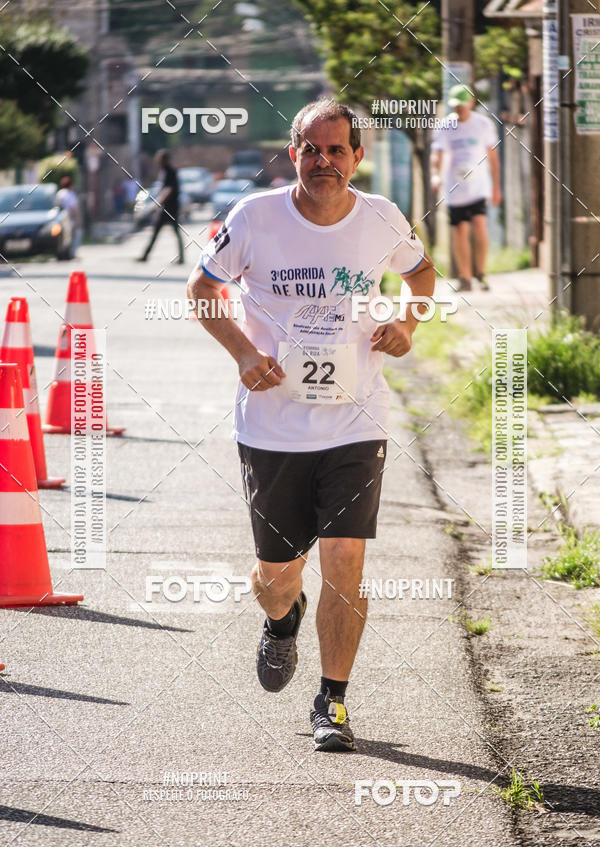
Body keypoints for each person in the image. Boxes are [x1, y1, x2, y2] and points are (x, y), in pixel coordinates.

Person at [187, 99, 435, 752]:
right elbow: (202, 291)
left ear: (357, 156)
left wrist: (407, 324)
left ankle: (334, 702)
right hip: (273, 427)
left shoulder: (381, 217)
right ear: (292, 153)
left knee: (346, 558)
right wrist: (244, 353)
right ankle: (281, 619)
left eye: (336, 149)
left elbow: (422, 273)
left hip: (357, 421)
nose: (323, 161)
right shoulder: (255, 218)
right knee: (276, 577)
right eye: (311, 149)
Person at [431, 84, 502, 291]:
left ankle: (481, 273)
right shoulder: (445, 126)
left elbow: (494, 158)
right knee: (460, 230)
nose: (458, 109)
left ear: (471, 102)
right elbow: (437, 154)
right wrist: (435, 175)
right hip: (455, 188)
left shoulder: (483, 125)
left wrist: (497, 187)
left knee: (480, 225)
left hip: (479, 186)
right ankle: (465, 277)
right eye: (455, 105)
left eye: (462, 104)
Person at [137, 150, 184, 264]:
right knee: (158, 231)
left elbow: (168, 190)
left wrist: (156, 204)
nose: (158, 161)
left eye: (160, 159)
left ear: (165, 160)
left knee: (171, 232)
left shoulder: (170, 172)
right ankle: (145, 255)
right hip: (167, 207)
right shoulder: (164, 171)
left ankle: (146, 255)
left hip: (170, 208)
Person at [56, 176, 81, 257]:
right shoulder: (70, 194)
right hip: (69, 217)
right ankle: (70, 253)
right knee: (71, 236)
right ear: (70, 185)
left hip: (59, 218)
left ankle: (61, 253)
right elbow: (73, 208)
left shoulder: (59, 193)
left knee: (61, 237)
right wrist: (78, 220)